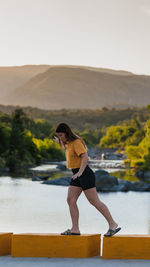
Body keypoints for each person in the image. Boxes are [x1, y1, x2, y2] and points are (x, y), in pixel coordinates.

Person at [53, 123, 121, 237]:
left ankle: (113, 224)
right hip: (76, 174)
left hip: (84, 174)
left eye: (61, 135)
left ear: (67, 133)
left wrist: (80, 172)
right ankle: (75, 229)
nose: (60, 137)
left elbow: (85, 157)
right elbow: (69, 150)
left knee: (94, 201)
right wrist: (59, 142)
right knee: (71, 200)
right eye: (58, 136)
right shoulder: (69, 143)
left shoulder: (76, 142)